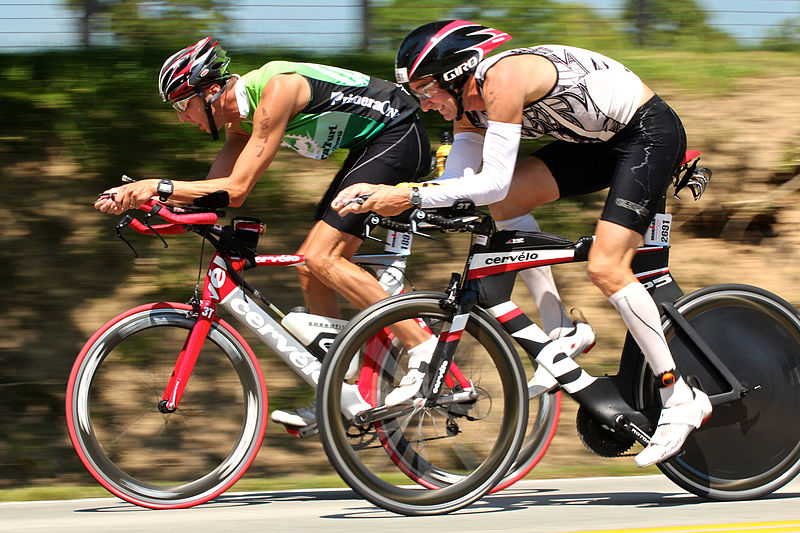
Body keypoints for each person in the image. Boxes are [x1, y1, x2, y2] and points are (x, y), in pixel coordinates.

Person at [332, 20, 712, 467]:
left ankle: (680, 395)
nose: (424, 102)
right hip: (594, 144)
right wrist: (388, 197)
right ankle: (562, 329)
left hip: (647, 135)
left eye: (426, 87)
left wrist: (409, 195)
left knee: (607, 267)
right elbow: (460, 183)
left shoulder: (502, 80)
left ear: (457, 73)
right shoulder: (466, 109)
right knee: (508, 203)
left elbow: (488, 183)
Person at [92, 36, 436, 431]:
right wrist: (157, 208)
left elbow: (236, 189)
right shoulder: (239, 121)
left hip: (397, 133)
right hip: (369, 146)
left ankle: (421, 346)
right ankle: (340, 391)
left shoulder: (276, 90)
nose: (181, 118)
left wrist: (155, 185)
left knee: (323, 257)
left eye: (182, 105)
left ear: (211, 90)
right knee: (310, 267)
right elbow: (215, 193)